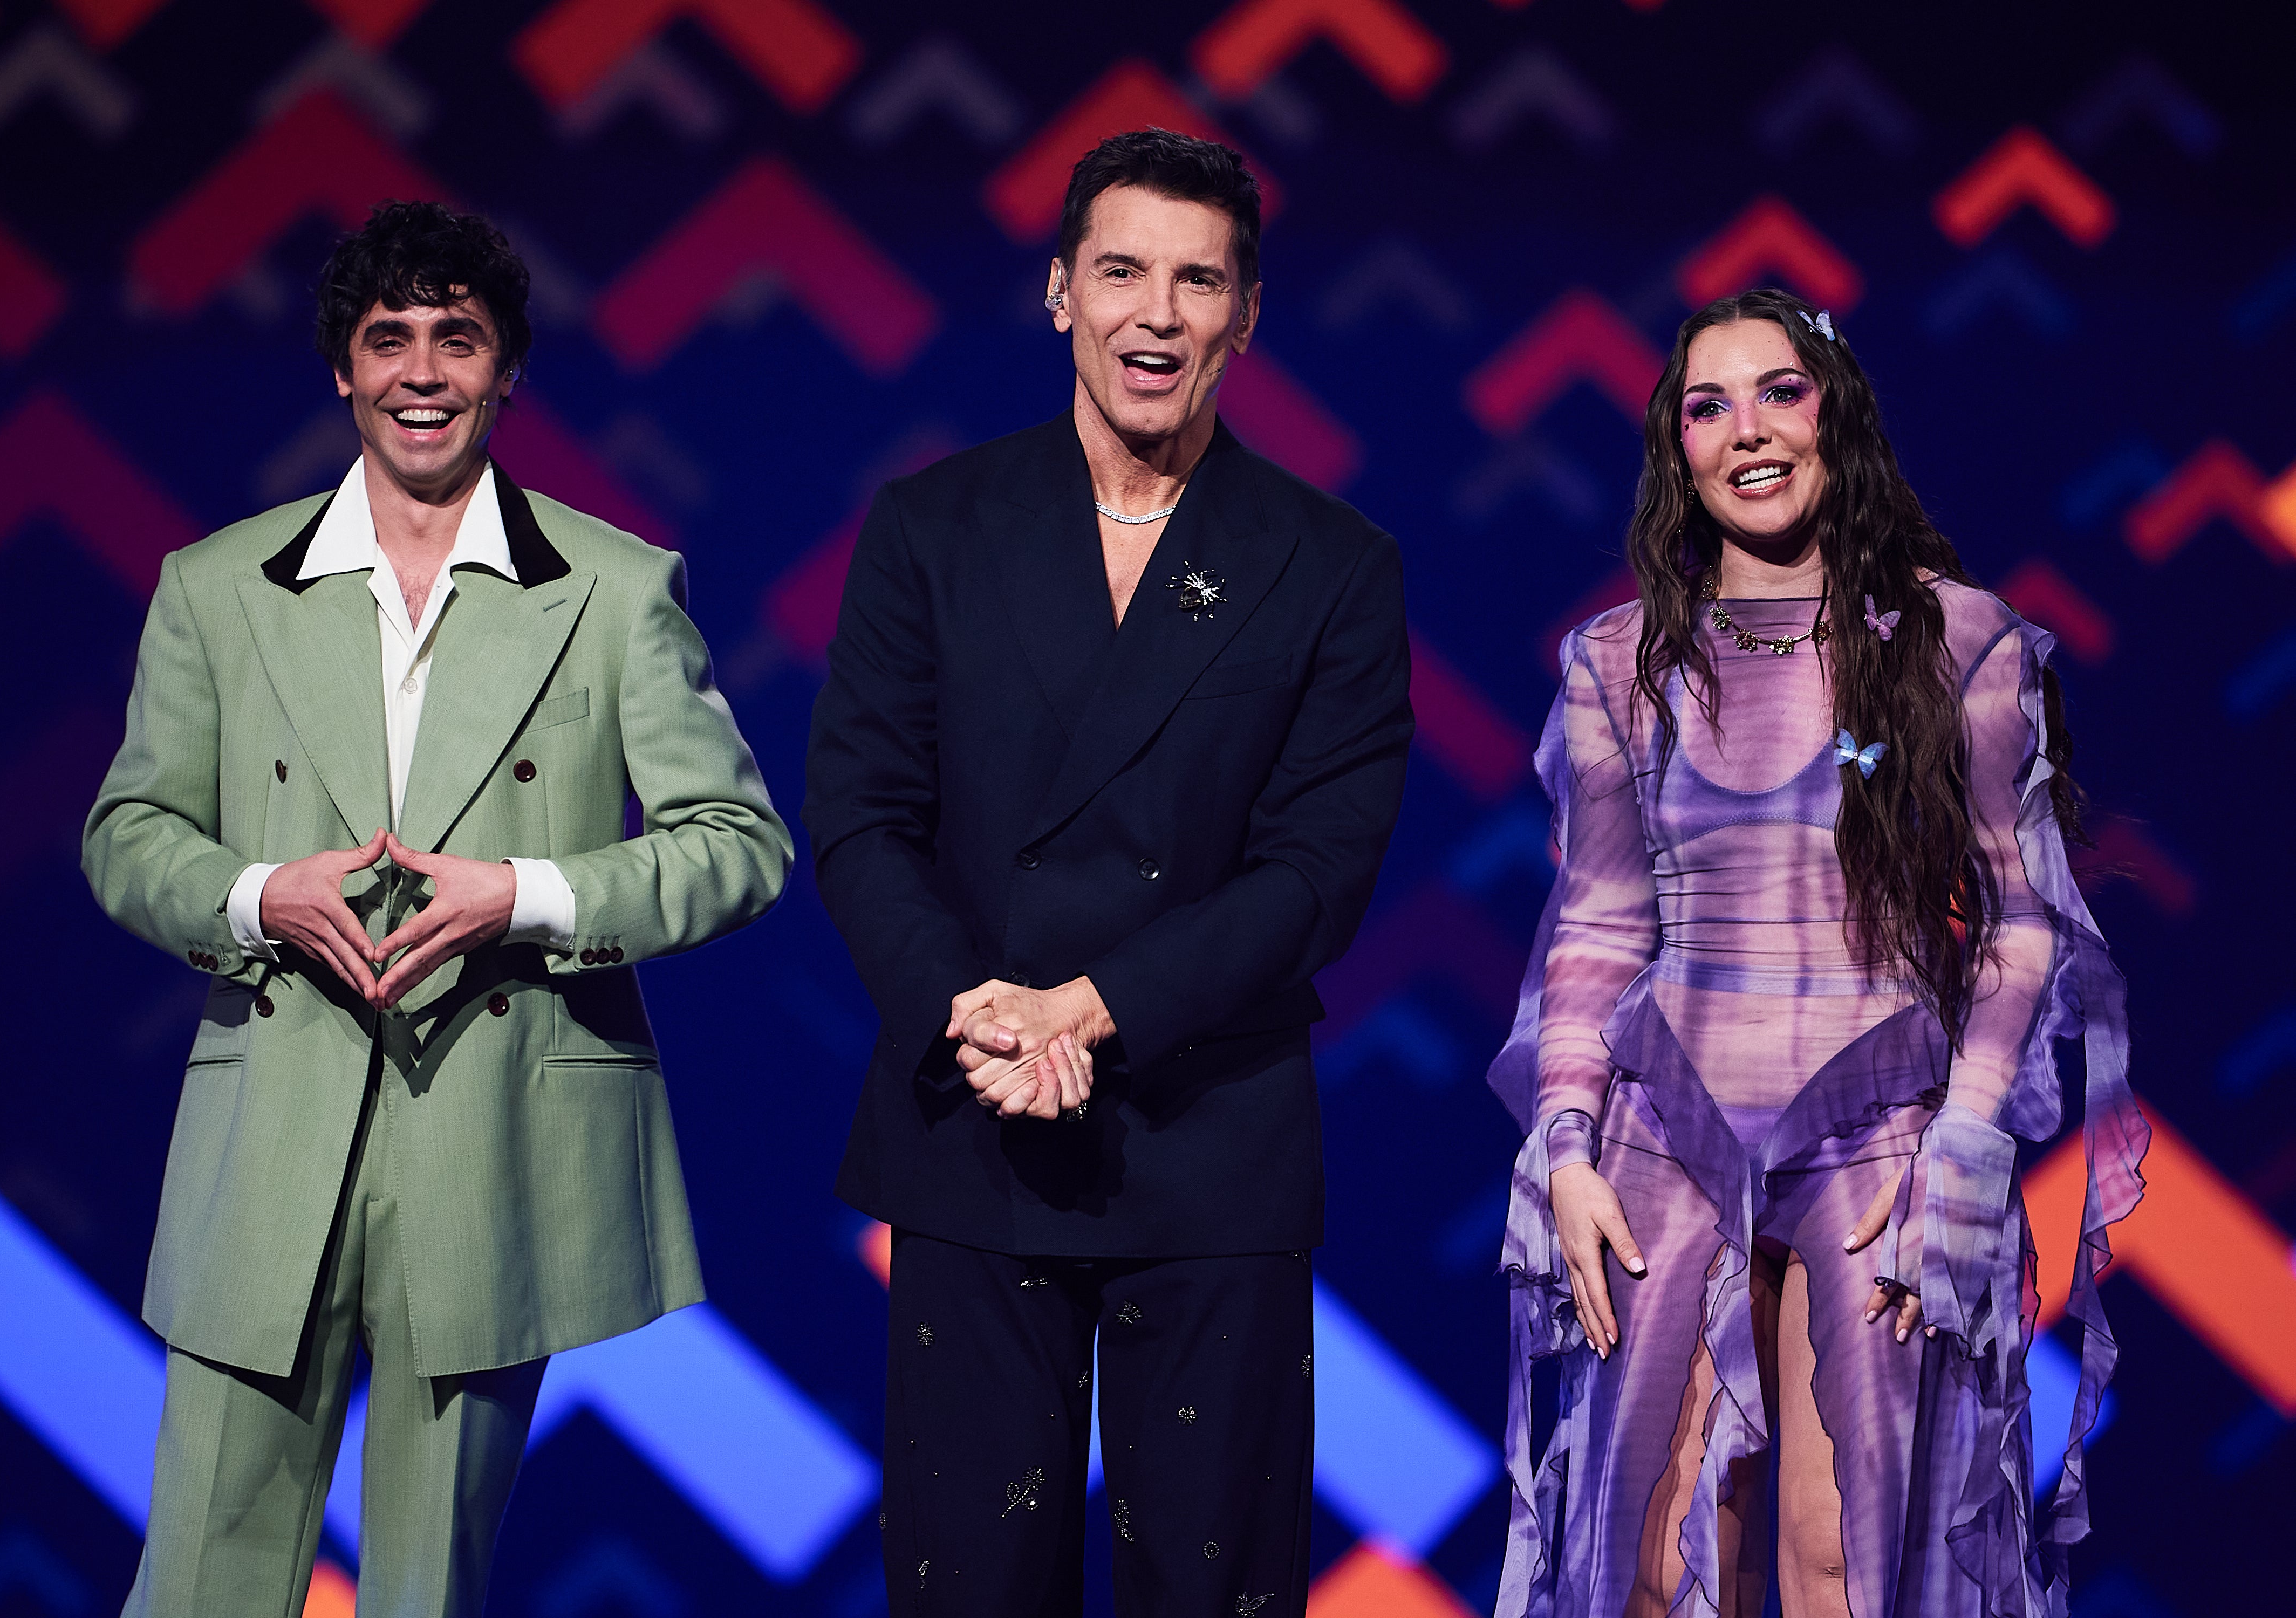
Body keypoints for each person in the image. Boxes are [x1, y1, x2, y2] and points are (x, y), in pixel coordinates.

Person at [83, 200, 791, 1616]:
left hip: (493, 1129)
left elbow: (738, 845)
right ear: (342, 369)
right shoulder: (220, 590)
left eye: (456, 339)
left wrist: (526, 894)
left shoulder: (611, 588)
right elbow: (129, 834)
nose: (421, 371)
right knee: (203, 1574)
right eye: (387, 337)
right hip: (272, 1128)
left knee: (428, 1590)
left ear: (505, 368)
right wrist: (259, 893)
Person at [803, 128, 1412, 1616]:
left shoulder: (1330, 562)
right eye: (1123, 271)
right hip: (976, 1116)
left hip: (1209, 1136)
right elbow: (861, 815)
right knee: (969, 1588)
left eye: (1197, 281)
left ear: (1244, 315)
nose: (1157, 313)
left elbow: (1315, 874)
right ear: (1059, 291)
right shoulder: (934, 526)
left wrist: (1090, 1008)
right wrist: (979, 1013)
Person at [1486, 287, 2145, 1617]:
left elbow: (2019, 920)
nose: (1748, 430)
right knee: (1655, 1564)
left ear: (1836, 412)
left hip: (1881, 1140)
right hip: (1663, 1130)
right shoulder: (1619, 661)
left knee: (1844, 1558)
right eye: (1707, 406)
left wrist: (1970, 1138)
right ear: (1677, 448)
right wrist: (1563, 1141)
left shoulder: (1959, 640)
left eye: (1780, 391)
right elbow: (1599, 921)